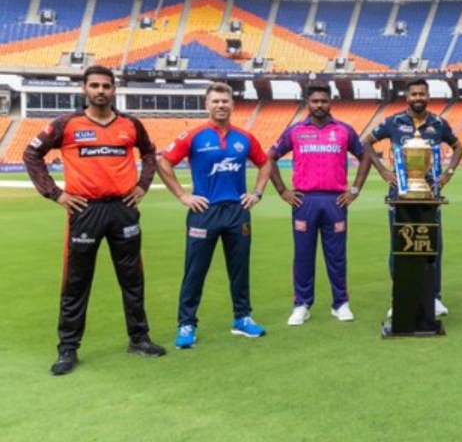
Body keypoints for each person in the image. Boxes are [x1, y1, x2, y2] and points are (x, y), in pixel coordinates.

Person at [24, 65, 166, 375]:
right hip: (85, 211)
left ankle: (139, 338)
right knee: (76, 281)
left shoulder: (130, 124)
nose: (100, 91)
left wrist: (142, 186)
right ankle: (67, 348)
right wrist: (55, 193)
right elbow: (31, 154)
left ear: (114, 89)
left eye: (106, 86)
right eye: (94, 85)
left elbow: (150, 153)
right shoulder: (66, 124)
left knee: (132, 278)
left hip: (123, 209)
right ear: (84, 89)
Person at [156, 82, 272, 349]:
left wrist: (257, 193)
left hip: (237, 212)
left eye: (225, 101)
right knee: (195, 270)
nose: (221, 105)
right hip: (204, 212)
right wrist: (183, 195)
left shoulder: (244, 138)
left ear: (232, 105)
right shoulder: (194, 136)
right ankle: (187, 323)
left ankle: (242, 318)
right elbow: (164, 162)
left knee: (239, 269)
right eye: (216, 101)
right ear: (207, 104)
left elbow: (265, 163)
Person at [268, 82, 370, 326]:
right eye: (315, 101)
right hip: (305, 201)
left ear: (330, 102)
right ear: (308, 103)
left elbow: (365, 156)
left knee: (337, 256)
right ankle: (302, 305)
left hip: (335, 201)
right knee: (303, 256)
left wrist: (355, 189)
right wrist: (282, 190)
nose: (319, 105)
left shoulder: (343, 130)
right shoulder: (295, 131)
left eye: (324, 101)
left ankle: (340, 303)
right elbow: (270, 157)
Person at [362, 79, 462, 316]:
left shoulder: (438, 123)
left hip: (430, 196)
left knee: (432, 246)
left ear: (428, 96)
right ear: (407, 97)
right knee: (399, 247)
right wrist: (383, 171)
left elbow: (459, 147)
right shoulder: (393, 122)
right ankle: (400, 296)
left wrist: (447, 174)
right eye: (414, 94)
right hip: (400, 195)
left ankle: (433, 297)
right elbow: (365, 143)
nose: (418, 98)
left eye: (422, 94)